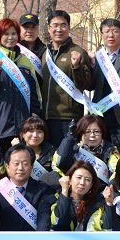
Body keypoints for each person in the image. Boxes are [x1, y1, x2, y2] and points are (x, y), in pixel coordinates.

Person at [0, 17, 42, 152]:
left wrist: (34, 118)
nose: (11, 37)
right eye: (6, 34)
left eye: (14, 33)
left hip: (23, 124)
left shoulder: (25, 61)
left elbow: (35, 93)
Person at [41, 10, 93, 146]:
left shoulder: (78, 52)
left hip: (68, 118)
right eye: (55, 25)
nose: (59, 29)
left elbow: (85, 85)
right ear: (49, 28)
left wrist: (76, 66)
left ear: (69, 28)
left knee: (65, 156)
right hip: (45, 116)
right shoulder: (45, 53)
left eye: (63, 25)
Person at [0, 144, 56, 231]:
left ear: (32, 167)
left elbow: (44, 219)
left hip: (31, 239)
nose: (20, 168)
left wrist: (39, 238)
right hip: (4, 239)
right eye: (16, 164)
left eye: (25, 164)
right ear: (7, 167)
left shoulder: (43, 190)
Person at [92, 18, 120, 150]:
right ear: (102, 35)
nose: (111, 35)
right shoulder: (96, 57)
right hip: (101, 113)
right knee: (100, 151)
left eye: (115, 31)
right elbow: (90, 85)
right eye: (107, 31)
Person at [54, 114, 120, 182]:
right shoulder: (72, 148)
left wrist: (110, 186)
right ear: (81, 134)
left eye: (96, 131)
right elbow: (59, 164)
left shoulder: (110, 151)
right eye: (87, 132)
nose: (92, 135)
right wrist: (69, 138)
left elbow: (117, 171)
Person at [50, 160, 106, 231]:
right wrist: (64, 191)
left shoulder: (99, 204)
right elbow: (57, 222)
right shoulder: (54, 199)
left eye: (87, 180)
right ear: (70, 180)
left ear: (91, 185)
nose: (82, 183)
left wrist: (110, 206)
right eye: (79, 177)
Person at [14, 116, 57, 190]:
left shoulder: (52, 151)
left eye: (39, 132)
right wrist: (16, 150)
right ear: (23, 134)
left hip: (44, 191)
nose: (35, 135)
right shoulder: (15, 150)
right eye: (31, 131)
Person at [18, 13, 46, 78]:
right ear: (19, 29)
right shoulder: (14, 48)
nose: (29, 31)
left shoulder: (46, 51)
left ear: (38, 28)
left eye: (33, 27)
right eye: (26, 27)